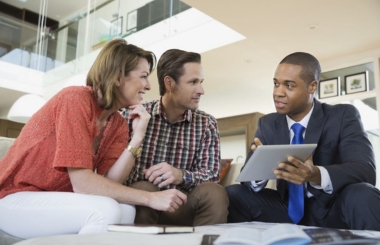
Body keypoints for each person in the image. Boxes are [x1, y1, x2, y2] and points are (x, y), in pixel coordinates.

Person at [0, 39, 187, 239]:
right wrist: (150, 198)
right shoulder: (75, 99)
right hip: (13, 198)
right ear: (117, 77)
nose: (148, 86)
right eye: (143, 76)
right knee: (105, 210)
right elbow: (83, 184)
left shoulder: (117, 123)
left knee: (126, 211)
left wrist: (138, 137)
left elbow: (110, 182)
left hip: (56, 199)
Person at [226, 52, 380, 230]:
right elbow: (247, 179)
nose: (278, 93)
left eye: (289, 86)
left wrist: (314, 174)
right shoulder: (268, 124)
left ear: (312, 86)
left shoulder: (343, 115)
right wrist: (260, 169)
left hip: (332, 208)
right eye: (276, 84)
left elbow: (365, 170)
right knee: (234, 193)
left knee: (363, 194)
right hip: (284, 210)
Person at [121, 49, 228, 226]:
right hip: (144, 202)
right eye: (193, 82)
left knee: (214, 191)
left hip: (183, 204)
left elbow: (212, 175)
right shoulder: (133, 116)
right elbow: (115, 175)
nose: (201, 90)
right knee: (144, 186)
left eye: (200, 82)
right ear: (169, 83)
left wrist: (180, 175)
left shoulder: (207, 123)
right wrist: (149, 178)